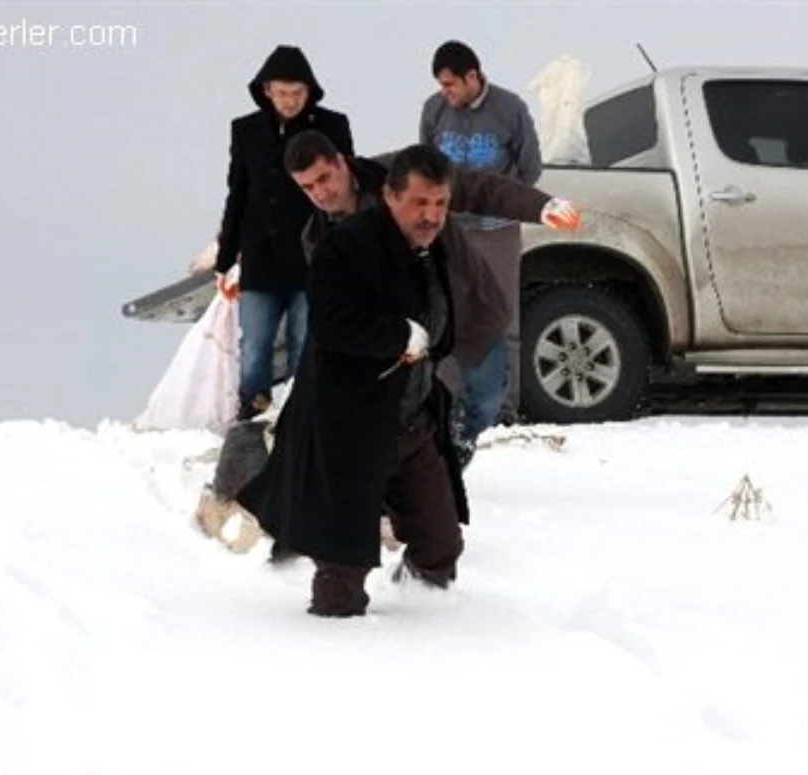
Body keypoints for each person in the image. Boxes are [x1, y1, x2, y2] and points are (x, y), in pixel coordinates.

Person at [236, 145, 471, 618]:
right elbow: (332, 324)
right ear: (389, 195)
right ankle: (340, 664)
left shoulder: (436, 245)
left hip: (414, 424)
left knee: (439, 546)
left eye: (440, 203)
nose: (431, 215)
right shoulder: (346, 247)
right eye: (420, 203)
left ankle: (432, 631)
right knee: (340, 580)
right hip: (353, 431)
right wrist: (397, 334)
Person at [283, 130, 579, 465]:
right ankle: (435, 468)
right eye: (308, 187)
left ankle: (460, 439)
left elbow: (476, 187)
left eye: (324, 178)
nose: (321, 193)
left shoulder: (398, 173)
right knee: (414, 415)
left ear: (341, 162)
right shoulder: (317, 239)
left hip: (466, 308)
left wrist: (541, 205)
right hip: (404, 336)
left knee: (487, 398)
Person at [211, 45, 354, 420]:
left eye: (297, 93)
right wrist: (225, 258)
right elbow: (237, 195)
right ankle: (252, 415)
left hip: (315, 257)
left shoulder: (332, 126)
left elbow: (348, 190)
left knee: (305, 342)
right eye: (282, 93)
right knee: (255, 345)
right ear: (267, 91)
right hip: (261, 254)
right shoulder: (245, 131)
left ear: (309, 91)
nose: (289, 101)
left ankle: (301, 415)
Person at [420, 40, 543, 430]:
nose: (447, 93)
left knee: (501, 317)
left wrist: (501, 205)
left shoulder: (510, 109)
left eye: (451, 85)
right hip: (450, 231)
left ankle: (505, 410)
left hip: (497, 233)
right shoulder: (434, 110)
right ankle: (450, 404)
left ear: (472, 76)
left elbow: (529, 168)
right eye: (442, 86)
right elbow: (425, 167)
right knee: (449, 316)